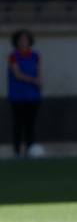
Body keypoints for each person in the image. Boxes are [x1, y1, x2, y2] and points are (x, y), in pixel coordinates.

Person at [8, 29, 41, 158]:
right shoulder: (13, 56)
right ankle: (17, 151)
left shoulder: (35, 56)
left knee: (30, 124)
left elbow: (38, 72)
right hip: (18, 95)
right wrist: (34, 80)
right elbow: (17, 74)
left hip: (32, 96)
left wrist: (39, 82)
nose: (23, 42)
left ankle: (30, 149)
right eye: (21, 40)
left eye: (25, 40)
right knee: (18, 123)